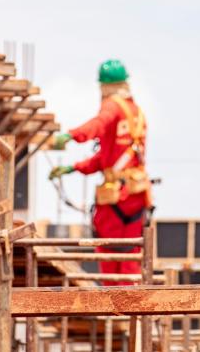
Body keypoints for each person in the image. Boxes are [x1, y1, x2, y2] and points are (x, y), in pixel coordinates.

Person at [48, 59, 152, 285]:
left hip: (116, 198)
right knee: (131, 251)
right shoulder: (136, 114)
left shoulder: (113, 106)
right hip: (136, 195)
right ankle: (130, 306)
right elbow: (108, 159)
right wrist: (74, 168)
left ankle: (114, 307)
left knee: (108, 250)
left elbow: (98, 124)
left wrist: (72, 135)